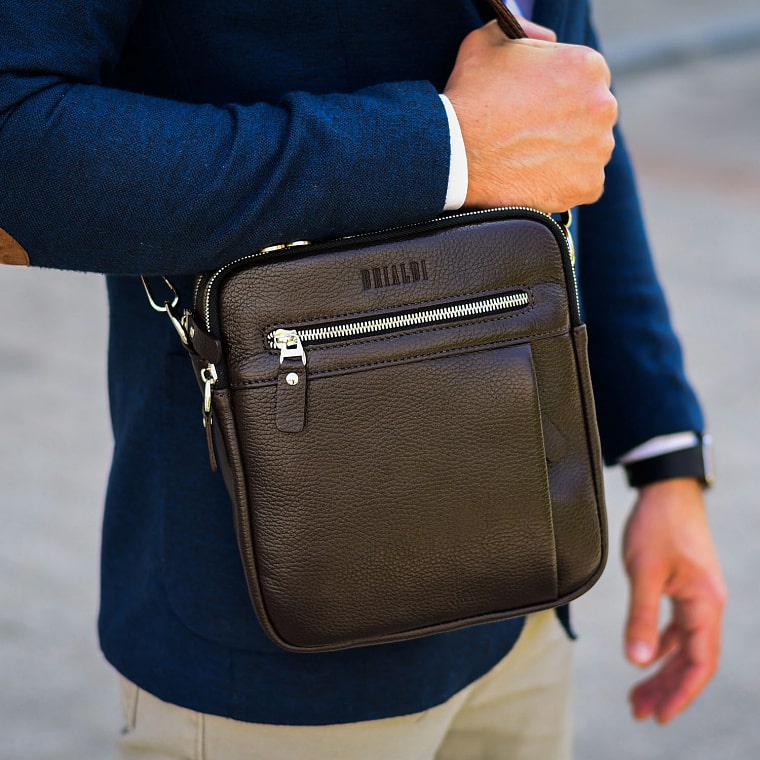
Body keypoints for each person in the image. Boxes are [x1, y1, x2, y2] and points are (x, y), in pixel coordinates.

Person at [0, 0, 725, 758]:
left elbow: (562, 103)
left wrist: (665, 455)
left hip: (529, 578)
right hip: (276, 642)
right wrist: (441, 147)